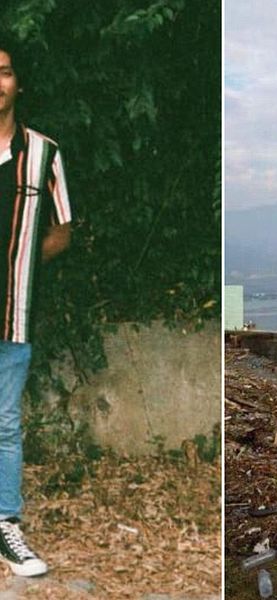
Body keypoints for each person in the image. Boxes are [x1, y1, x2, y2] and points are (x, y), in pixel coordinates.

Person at [0, 40, 71, 577]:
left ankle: (6, 524)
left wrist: (18, 263)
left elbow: (61, 232)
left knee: (4, 422)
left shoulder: (45, 152)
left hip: (12, 312)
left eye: (2, 73)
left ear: (17, 83)